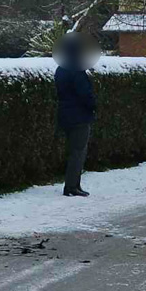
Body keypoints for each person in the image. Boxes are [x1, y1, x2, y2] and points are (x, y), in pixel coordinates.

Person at [54, 33, 98, 197]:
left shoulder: (61, 69)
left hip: (65, 114)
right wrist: (93, 105)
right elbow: (85, 94)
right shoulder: (78, 71)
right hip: (79, 116)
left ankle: (73, 185)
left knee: (73, 151)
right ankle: (72, 186)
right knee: (78, 152)